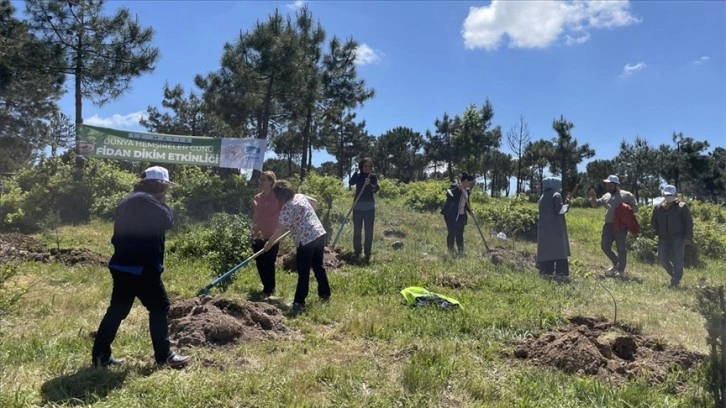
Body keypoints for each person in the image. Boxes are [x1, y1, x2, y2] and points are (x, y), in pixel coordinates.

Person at [92, 166, 190, 369]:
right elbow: (168, 221)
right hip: (141, 267)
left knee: (117, 310)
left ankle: (100, 356)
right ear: (159, 185)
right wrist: (163, 203)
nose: (167, 191)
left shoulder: (130, 199)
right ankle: (165, 357)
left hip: (123, 265)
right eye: (165, 187)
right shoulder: (147, 201)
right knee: (159, 307)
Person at [264, 180, 331, 310]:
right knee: (318, 266)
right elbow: (315, 202)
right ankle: (325, 295)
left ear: (280, 196)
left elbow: (280, 230)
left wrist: (269, 244)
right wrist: (304, 216)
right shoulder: (300, 196)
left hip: (306, 240)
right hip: (319, 233)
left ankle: (299, 302)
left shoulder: (287, 207)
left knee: (304, 270)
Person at [589, 175, 638, 276]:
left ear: (616, 185)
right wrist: (593, 197)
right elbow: (595, 205)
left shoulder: (627, 195)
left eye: (610, 185)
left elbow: (636, 208)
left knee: (621, 248)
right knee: (605, 246)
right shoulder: (606, 195)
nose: (608, 187)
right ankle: (616, 263)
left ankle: (620, 270)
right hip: (608, 225)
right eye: (607, 185)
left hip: (621, 226)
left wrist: (625, 209)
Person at [650, 185, 693, 288]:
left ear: (675, 195)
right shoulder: (658, 207)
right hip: (663, 238)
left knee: (678, 259)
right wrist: (656, 231)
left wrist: (688, 237)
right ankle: (674, 274)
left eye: (671, 195)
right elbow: (653, 221)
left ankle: (675, 280)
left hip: (678, 238)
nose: (668, 197)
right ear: (663, 195)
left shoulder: (682, 207)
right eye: (666, 195)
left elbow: (689, 223)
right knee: (661, 257)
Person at [252, 171, 283, 298]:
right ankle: (266, 286)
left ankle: (269, 289)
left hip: (272, 235)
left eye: (264, 179)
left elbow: (283, 214)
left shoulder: (277, 198)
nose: (261, 181)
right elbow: (255, 214)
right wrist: (252, 230)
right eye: (260, 179)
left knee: (269, 262)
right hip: (258, 234)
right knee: (260, 262)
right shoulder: (257, 197)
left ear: (271, 181)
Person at [536, 177, 571, 277]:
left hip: (545, 230)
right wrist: (568, 205)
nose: (559, 186)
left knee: (547, 251)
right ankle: (561, 273)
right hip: (556, 229)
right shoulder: (556, 195)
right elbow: (560, 210)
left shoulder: (542, 196)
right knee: (559, 251)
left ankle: (546, 272)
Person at [348, 158, 380, 261]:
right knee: (357, 230)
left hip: (369, 208)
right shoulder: (358, 175)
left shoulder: (373, 176)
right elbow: (351, 182)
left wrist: (369, 184)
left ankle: (367, 253)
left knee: (369, 231)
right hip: (357, 207)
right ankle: (357, 252)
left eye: (369, 166)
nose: (367, 168)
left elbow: (376, 189)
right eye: (365, 166)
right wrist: (356, 173)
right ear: (361, 167)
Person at [440, 173, 474, 257]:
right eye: (469, 182)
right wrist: (458, 189)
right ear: (465, 181)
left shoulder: (467, 191)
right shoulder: (454, 186)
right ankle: (451, 251)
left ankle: (461, 252)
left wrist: (470, 212)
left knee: (460, 234)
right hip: (450, 214)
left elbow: (466, 204)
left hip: (461, 215)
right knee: (452, 233)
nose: (470, 184)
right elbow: (449, 194)